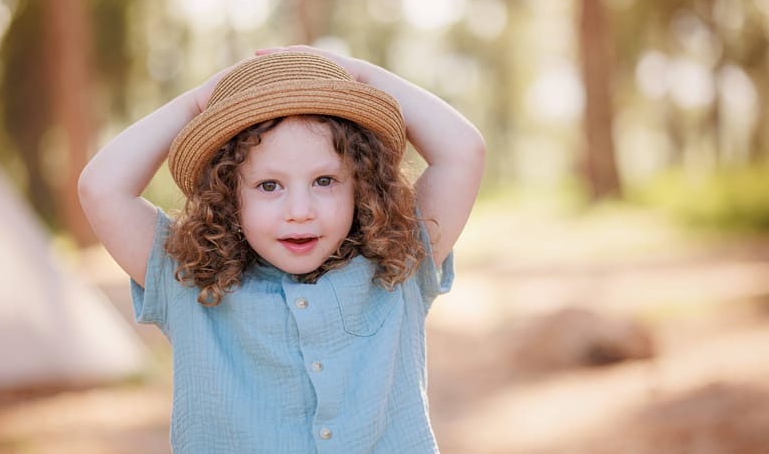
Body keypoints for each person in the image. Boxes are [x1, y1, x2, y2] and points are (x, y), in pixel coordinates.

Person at [78, 45, 485, 453]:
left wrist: (359, 75)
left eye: (324, 181)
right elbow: (101, 187)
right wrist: (198, 102)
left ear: (360, 185)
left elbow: (464, 151)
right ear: (228, 195)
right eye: (269, 186)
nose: (300, 211)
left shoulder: (398, 260)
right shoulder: (188, 280)